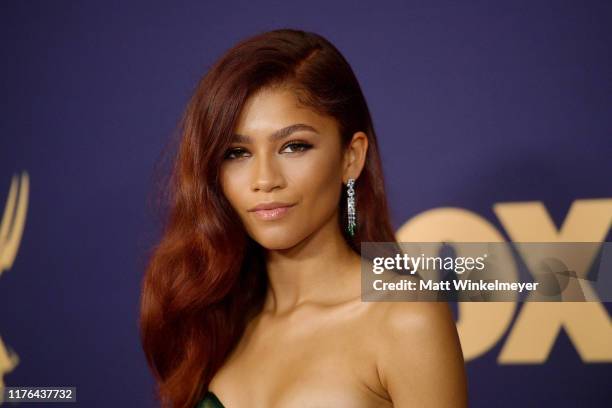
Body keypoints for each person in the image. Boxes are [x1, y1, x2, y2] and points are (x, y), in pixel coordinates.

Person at [139, 28, 468, 408]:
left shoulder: (406, 319)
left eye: (294, 146)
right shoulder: (213, 321)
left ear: (351, 157)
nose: (264, 180)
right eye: (236, 153)